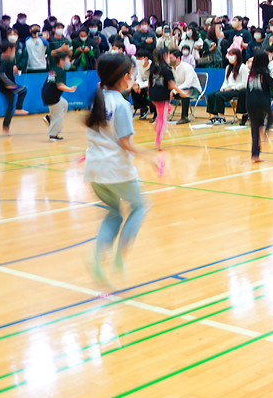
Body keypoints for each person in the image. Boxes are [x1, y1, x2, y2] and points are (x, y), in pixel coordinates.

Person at [83, 53, 151, 286]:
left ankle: (96, 259)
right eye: (131, 73)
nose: (132, 77)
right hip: (116, 169)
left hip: (94, 169)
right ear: (123, 77)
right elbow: (125, 143)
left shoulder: (98, 99)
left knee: (113, 213)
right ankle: (119, 259)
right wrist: (150, 156)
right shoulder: (121, 105)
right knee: (140, 206)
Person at [148, 50, 189, 149]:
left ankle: (156, 121)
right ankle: (158, 142)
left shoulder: (153, 68)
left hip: (153, 95)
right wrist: (182, 92)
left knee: (168, 108)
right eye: (168, 55)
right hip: (161, 97)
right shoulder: (167, 70)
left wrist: (151, 93)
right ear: (164, 56)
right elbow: (172, 84)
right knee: (163, 120)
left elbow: (149, 83)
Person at [243, 50, 273, 162]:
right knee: (272, 117)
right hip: (262, 102)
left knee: (255, 129)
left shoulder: (250, 75)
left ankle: (255, 155)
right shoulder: (264, 74)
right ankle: (265, 131)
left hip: (250, 103)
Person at [206, 48, 248, 125]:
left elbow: (244, 84)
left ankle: (222, 118)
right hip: (228, 89)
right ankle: (215, 116)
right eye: (229, 55)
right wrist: (223, 88)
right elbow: (226, 81)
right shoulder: (228, 67)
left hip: (237, 90)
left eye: (232, 55)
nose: (230, 57)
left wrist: (231, 88)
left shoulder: (243, 67)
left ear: (237, 56)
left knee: (219, 95)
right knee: (211, 95)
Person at [41, 48, 75, 141]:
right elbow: (59, 85)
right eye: (67, 59)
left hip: (46, 94)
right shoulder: (61, 71)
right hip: (53, 97)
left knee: (64, 104)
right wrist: (70, 89)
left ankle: (50, 118)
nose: (69, 61)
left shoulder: (54, 69)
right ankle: (53, 135)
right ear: (61, 61)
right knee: (59, 115)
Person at [0, 42, 29, 134]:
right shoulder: (5, 60)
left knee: (10, 104)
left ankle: (6, 126)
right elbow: (2, 74)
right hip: (6, 85)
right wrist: (9, 84)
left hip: (5, 84)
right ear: (9, 49)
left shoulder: (4, 59)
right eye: (14, 49)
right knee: (23, 90)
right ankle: (18, 108)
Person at [170, 48, 200, 124]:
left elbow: (187, 84)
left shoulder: (187, 67)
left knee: (185, 91)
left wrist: (174, 91)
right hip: (179, 89)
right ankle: (158, 115)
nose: (169, 60)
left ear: (178, 58)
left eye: (171, 58)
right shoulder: (171, 68)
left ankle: (184, 117)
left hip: (194, 90)